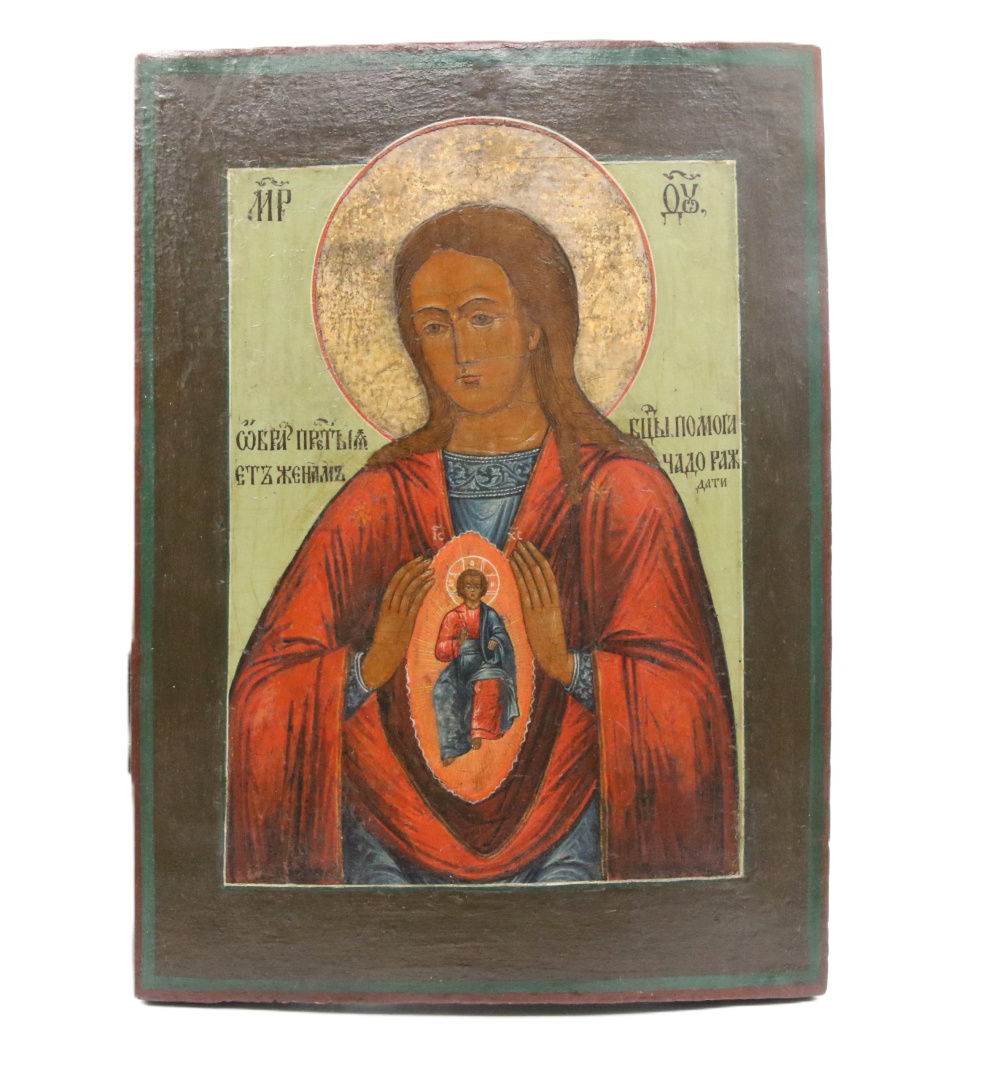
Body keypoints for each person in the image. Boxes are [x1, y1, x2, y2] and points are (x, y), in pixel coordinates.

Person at [227, 203, 737, 885]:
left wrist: (568, 664)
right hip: (387, 839)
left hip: (576, 834)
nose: (461, 350)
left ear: (535, 325)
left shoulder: (621, 494)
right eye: (435, 327)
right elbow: (264, 694)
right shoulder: (380, 498)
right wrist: (369, 667)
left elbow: (687, 704)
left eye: (482, 317)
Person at [432, 567, 519, 761]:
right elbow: (440, 650)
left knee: (488, 683)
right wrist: (458, 643)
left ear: (482, 589)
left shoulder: (489, 614)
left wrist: (495, 640)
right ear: (462, 589)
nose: (472, 590)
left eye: (476, 586)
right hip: (460, 663)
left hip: (485, 661)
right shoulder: (453, 616)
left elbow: (501, 634)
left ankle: (478, 732)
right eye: (468, 586)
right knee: (443, 691)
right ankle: (452, 747)